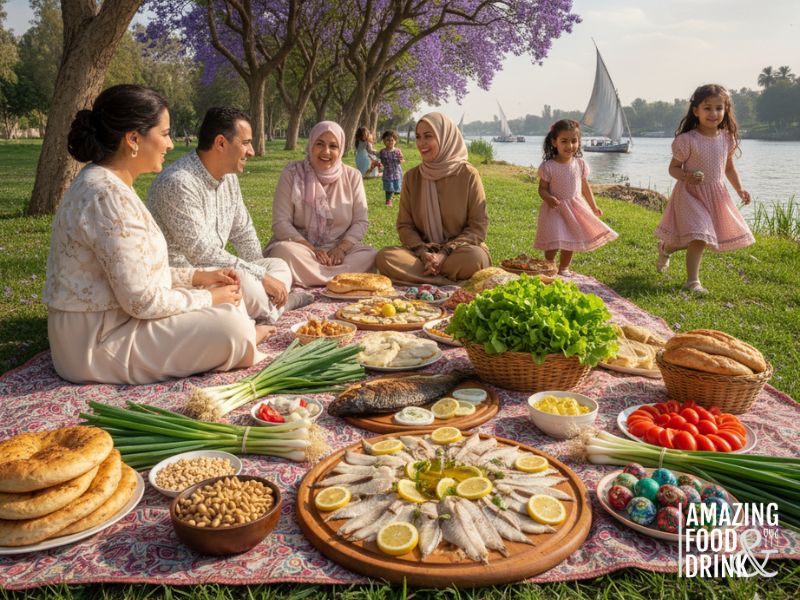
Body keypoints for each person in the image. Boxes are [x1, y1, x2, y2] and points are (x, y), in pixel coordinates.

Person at [43, 84, 269, 385]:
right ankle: (242, 339)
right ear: (134, 139)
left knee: (231, 305)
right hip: (95, 343)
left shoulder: (111, 185)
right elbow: (141, 302)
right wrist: (207, 296)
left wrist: (198, 278)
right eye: (164, 134)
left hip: (114, 322)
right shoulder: (106, 196)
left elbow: (139, 276)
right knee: (232, 326)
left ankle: (238, 338)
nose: (171, 144)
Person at [148, 107, 310, 323]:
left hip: (220, 271)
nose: (251, 151)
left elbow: (243, 231)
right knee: (248, 283)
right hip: (190, 277)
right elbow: (201, 253)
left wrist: (262, 272)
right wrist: (260, 277)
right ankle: (271, 309)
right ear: (221, 143)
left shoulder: (228, 178)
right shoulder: (178, 183)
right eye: (245, 143)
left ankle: (264, 307)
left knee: (278, 266)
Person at [655, 84, 754, 294]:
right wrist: (687, 177)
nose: (713, 113)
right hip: (689, 194)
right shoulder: (687, 140)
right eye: (707, 108)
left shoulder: (727, 138)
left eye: (719, 108)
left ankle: (666, 248)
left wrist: (739, 189)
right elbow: (673, 168)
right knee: (699, 236)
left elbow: (728, 167)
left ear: (726, 110)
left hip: (715, 195)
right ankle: (693, 282)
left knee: (698, 237)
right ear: (696, 111)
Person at [375, 112, 491, 285]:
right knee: (385, 256)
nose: (421, 143)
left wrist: (444, 254)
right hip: (422, 254)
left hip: (458, 252)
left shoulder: (468, 175)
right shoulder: (412, 177)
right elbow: (405, 225)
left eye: (428, 136)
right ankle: (448, 281)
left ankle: (424, 278)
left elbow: (478, 226)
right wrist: (424, 253)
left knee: (476, 258)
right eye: (418, 137)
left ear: (446, 138)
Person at [264, 121, 377, 286]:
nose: (326, 152)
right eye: (320, 144)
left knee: (371, 255)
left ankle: (312, 279)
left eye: (333, 146)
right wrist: (312, 249)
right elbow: (281, 222)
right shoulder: (292, 174)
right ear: (311, 145)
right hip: (301, 249)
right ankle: (340, 280)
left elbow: (361, 221)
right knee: (282, 252)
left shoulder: (353, 176)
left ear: (341, 149)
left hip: (338, 251)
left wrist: (341, 249)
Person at [534, 119, 618, 275]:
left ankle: (564, 267)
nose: (570, 145)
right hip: (555, 209)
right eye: (564, 141)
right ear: (554, 142)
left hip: (575, 208)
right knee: (554, 239)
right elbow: (542, 189)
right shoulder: (549, 167)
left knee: (570, 239)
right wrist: (548, 198)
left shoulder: (580, 164)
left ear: (579, 142)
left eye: (574, 141)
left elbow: (585, 187)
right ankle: (549, 263)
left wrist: (593, 206)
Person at [379, 130, 404, 207]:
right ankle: (388, 200)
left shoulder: (397, 151)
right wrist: (380, 165)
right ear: (384, 141)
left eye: (392, 140)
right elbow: (381, 160)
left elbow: (402, 159)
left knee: (397, 187)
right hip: (388, 172)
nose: (390, 142)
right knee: (388, 188)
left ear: (395, 141)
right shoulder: (382, 151)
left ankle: (398, 193)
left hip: (396, 172)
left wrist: (400, 160)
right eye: (387, 140)